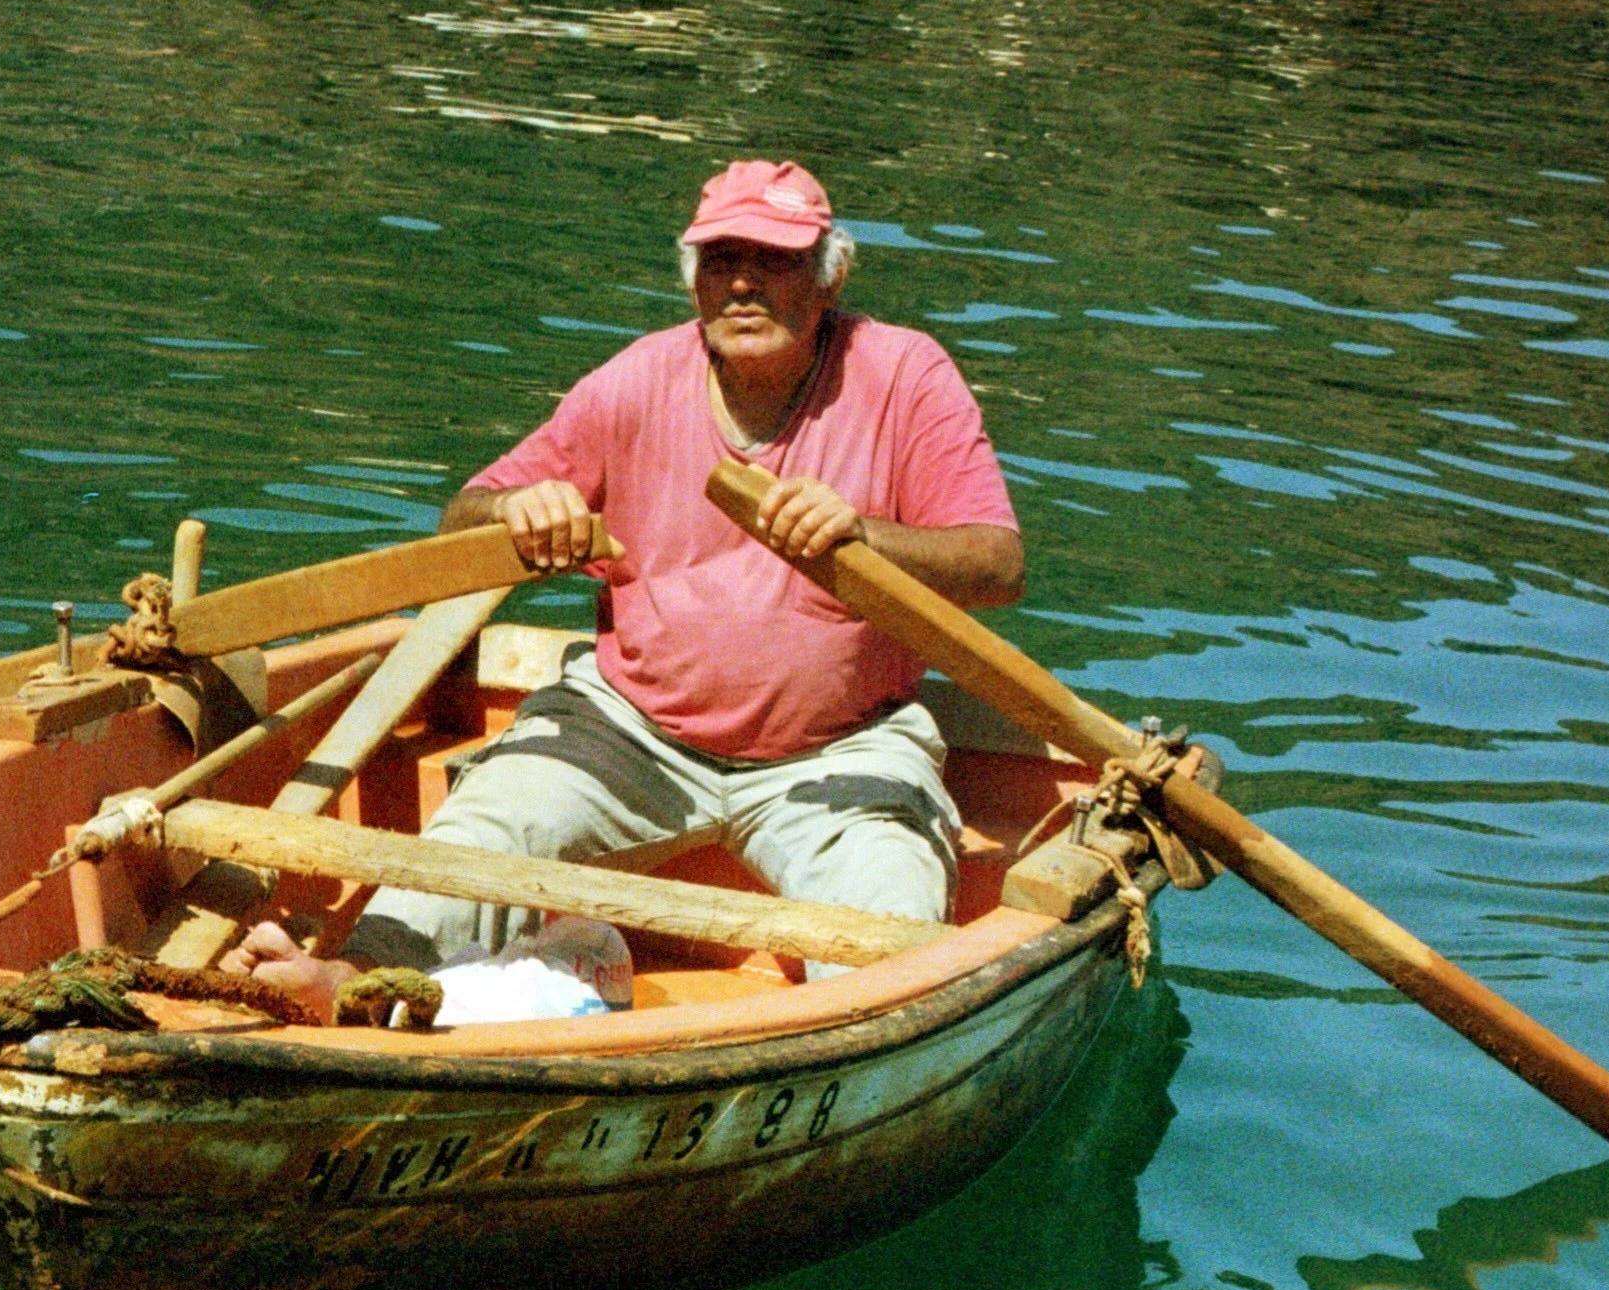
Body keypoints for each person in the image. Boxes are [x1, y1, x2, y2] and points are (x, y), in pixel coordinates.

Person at [239, 159, 1023, 1009]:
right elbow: (460, 521)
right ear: (693, 280)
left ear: (832, 275)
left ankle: (843, 1046)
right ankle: (353, 988)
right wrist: (517, 513)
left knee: (892, 941)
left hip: (840, 747)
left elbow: (996, 565)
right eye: (721, 260)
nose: (744, 284)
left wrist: (862, 536)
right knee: (487, 828)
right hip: (628, 730)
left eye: (777, 259)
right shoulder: (635, 381)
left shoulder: (905, 375)